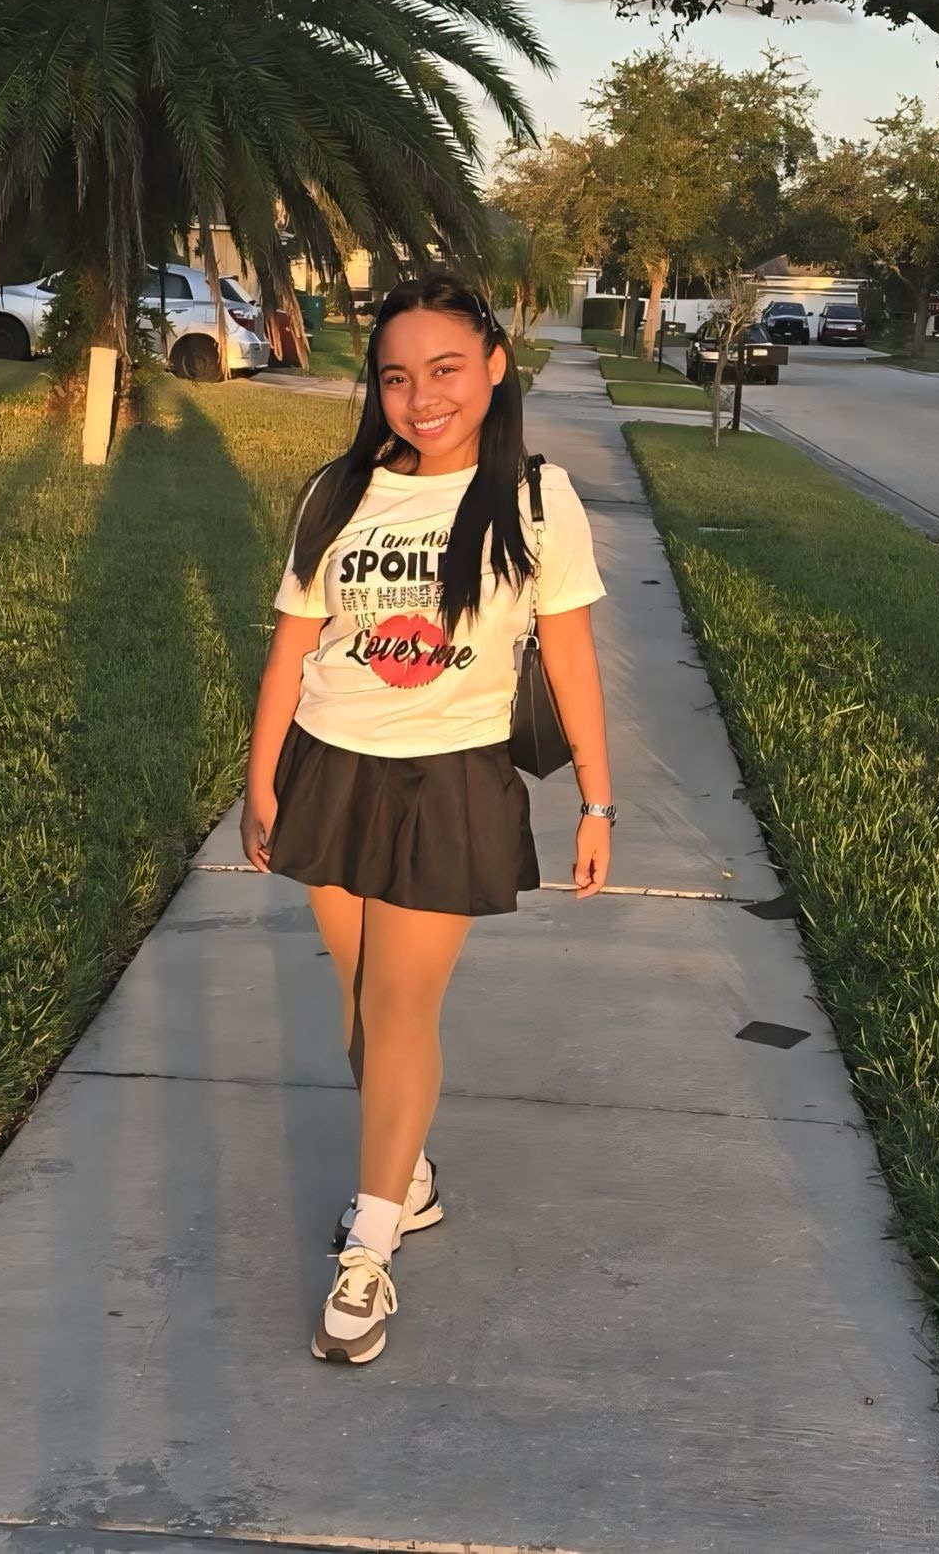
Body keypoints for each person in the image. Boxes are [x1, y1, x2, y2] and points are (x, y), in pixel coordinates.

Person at [241, 270, 616, 1366]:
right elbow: (292, 645)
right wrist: (261, 781)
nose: (422, 396)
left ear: (495, 365)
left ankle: (369, 1244)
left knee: (401, 1007)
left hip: (450, 777)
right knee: (360, 1002)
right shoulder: (337, 492)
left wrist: (597, 798)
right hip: (331, 765)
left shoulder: (536, 499)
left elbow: (572, 655)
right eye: (397, 376)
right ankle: (405, 1176)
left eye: (445, 368)